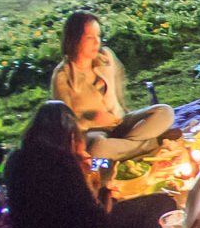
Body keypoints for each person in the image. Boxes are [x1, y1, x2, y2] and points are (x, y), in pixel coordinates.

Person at [4, 101, 174, 228]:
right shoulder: (65, 163)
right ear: (71, 136)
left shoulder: (14, 159)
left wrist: (99, 165)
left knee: (106, 161)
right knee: (163, 202)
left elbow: (100, 163)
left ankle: (137, 150)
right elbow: (98, 218)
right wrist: (102, 188)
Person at [50, 11, 178, 162]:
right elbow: (66, 123)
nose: (96, 42)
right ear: (74, 40)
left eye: (98, 36)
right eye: (90, 37)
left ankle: (126, 149)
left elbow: (119, 94)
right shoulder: (63, 76)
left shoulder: (106, 57)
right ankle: (151, 143)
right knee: (98, 153)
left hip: (120, 123)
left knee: (165, 112)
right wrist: (92, 120)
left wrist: (128, 118)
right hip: (94, 135)